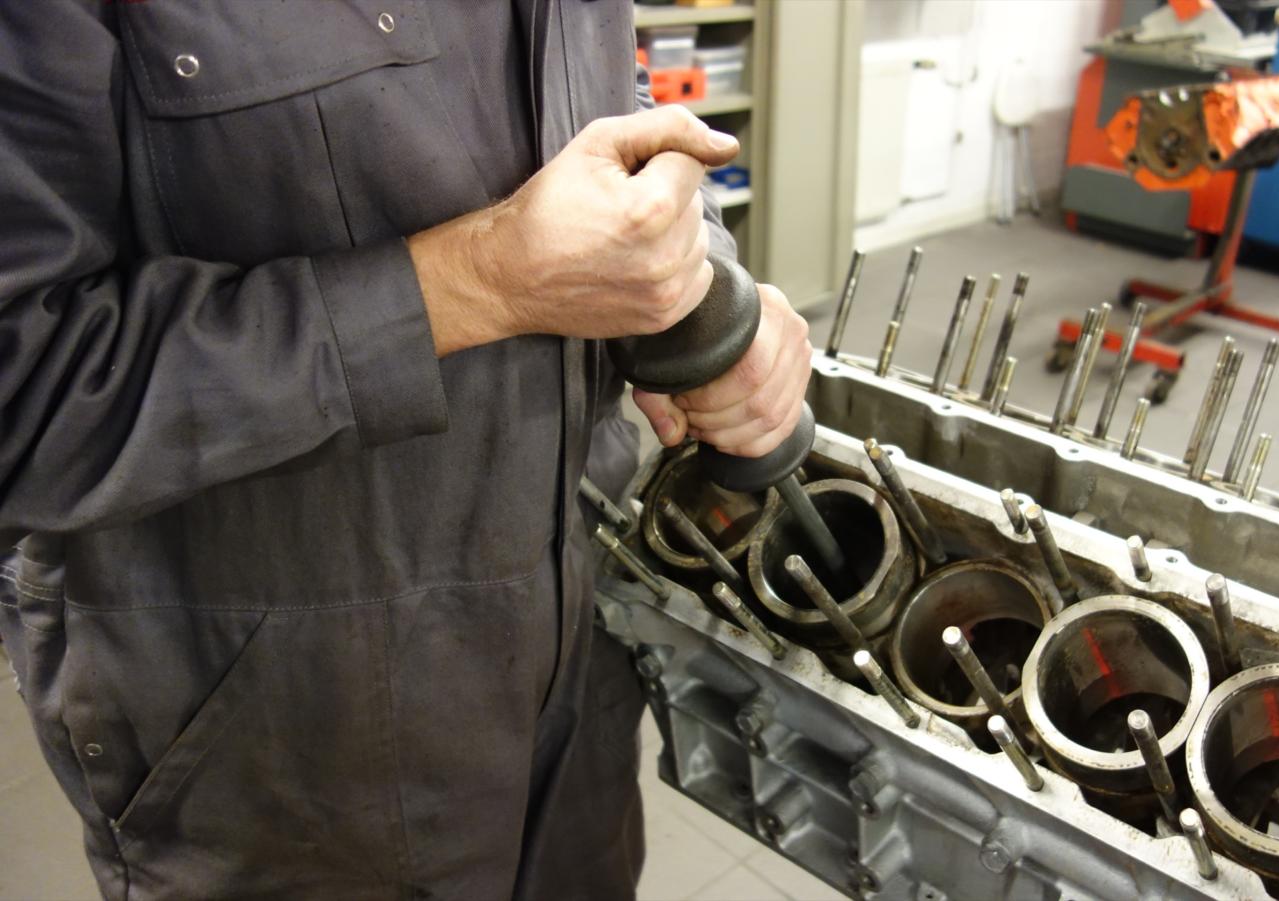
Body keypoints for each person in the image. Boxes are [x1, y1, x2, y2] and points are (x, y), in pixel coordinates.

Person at [0, 2, 811, 898]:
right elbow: (23, 396)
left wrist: (690, 275)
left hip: (579, 678)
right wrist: (476, 281)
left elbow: (608, 93)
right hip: (282, 756)